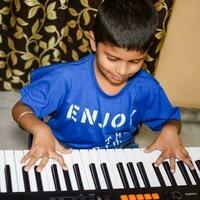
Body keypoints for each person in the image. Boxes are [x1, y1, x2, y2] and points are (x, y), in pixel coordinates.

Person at [12, 0, 194, 173]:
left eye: (135, 61)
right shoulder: (66, 78)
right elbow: (21, 107)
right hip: (62, 152)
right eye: (112, 58)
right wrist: (39, 128)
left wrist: (170, 130)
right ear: (93, 41)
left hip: (119, 156)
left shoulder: (146, 87)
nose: (122, 71)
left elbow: (170, 119)